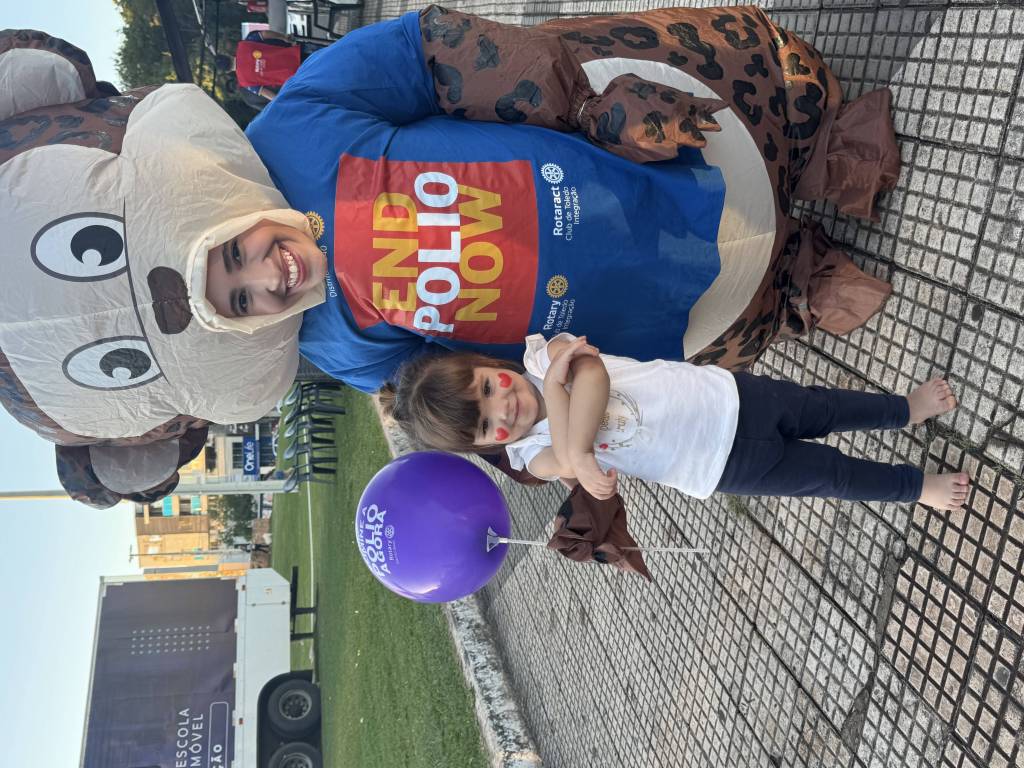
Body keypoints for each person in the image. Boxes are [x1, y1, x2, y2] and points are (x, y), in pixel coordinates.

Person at [0, 6, 902, 507]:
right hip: (636, 313)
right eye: (238, 301)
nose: (268, 276)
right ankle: (799, 277)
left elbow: (426, 52)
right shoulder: (335, 346)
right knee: (735, 302)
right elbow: (451, 399)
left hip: (621, 151)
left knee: (744, 115)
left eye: (233, 253)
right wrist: (545, 449)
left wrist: (578, 105)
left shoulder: (298, 124)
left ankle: (824, 155)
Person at [378, 333, 970, 510]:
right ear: (485, 446)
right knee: (830, 476)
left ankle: (903, 409)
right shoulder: (527, 456)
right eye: (487, 426)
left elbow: (593, 377)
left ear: (486, 364)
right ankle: (915, 487)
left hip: (726, 399)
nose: (503, 408)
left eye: (488, 388)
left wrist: (557, 392)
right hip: (714, 466)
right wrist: (575, 452)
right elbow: (562, 459)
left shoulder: (542, 355)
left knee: (825, 407)